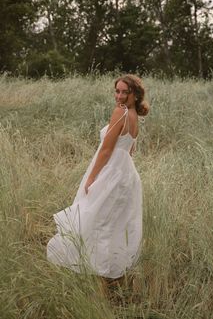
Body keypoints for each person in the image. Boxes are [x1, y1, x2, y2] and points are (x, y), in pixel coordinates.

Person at [47, 74, 149, 280]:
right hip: (126, 174)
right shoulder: (133, 115)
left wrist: (91, 178)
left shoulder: (120, 112)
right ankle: (111, 269)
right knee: (114, 223)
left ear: (134, 95)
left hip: (111, 171)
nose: (119, 96)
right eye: (117, 91)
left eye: (124, 92)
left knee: (96, 220)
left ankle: (96, 269)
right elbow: (130, 150)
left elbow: (106, 150)